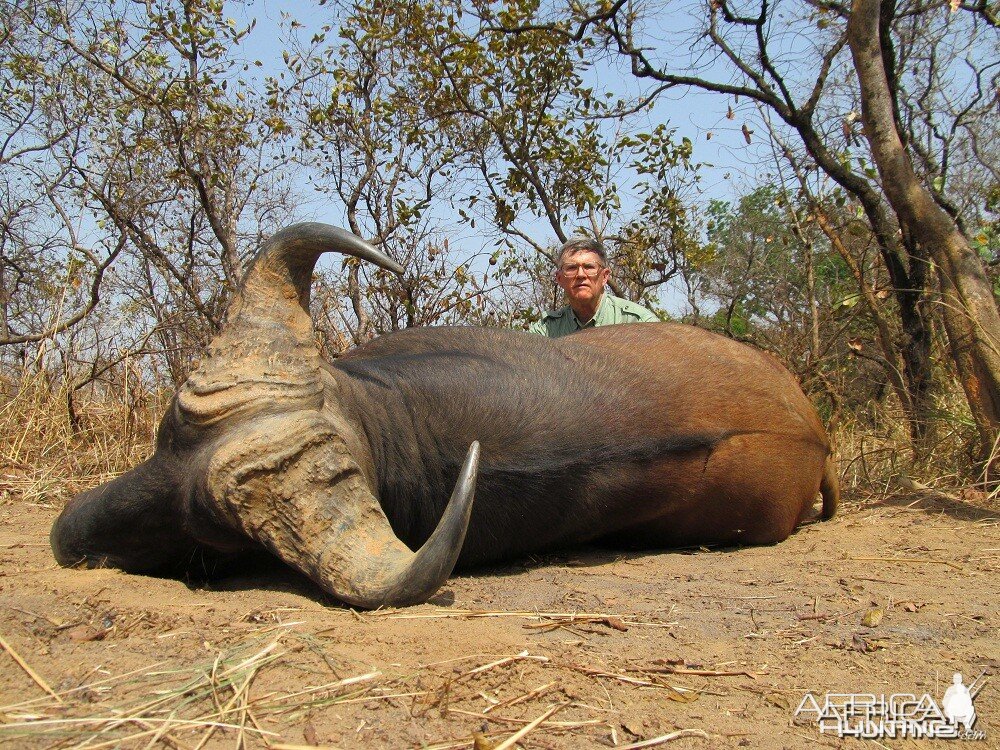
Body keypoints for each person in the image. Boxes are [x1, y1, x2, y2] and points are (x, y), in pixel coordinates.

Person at [528, 237, 659, 338]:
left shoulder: (638, 322)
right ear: (559, 278)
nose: (580, 275)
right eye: (571, 268)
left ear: (605, 276)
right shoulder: (546, 330)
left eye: (589, 267)